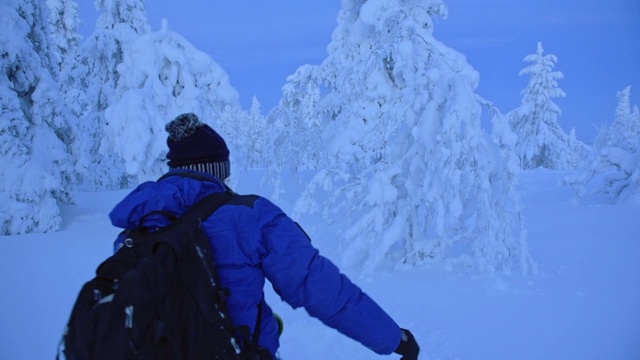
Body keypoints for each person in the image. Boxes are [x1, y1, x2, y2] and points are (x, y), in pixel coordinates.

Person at [109, 113, 420, 359]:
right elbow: (322, 289)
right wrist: (393, 338)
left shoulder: (139, 222)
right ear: (217, 171)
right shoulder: (252, 215)